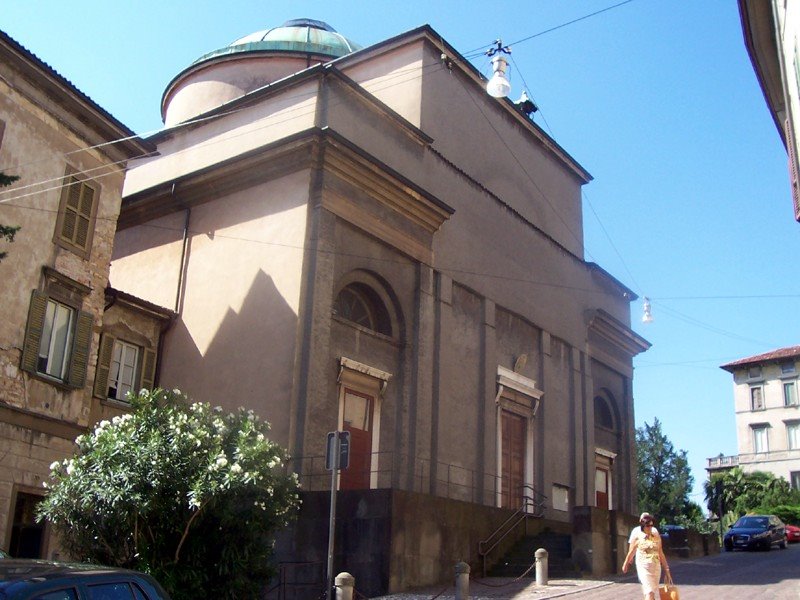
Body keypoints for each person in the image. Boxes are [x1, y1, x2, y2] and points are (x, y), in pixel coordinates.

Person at [622, 512, 670, 600]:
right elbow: (631, 550)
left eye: (651, 525)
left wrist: (667, 569)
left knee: (650, 592)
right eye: (648, 525)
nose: (650, 527)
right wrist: (627, 562)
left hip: (655, 567)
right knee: (649, 591)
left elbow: (660, 552)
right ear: (642, 523)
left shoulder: (655, 534)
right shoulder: (636, 533)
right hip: (643, 566)